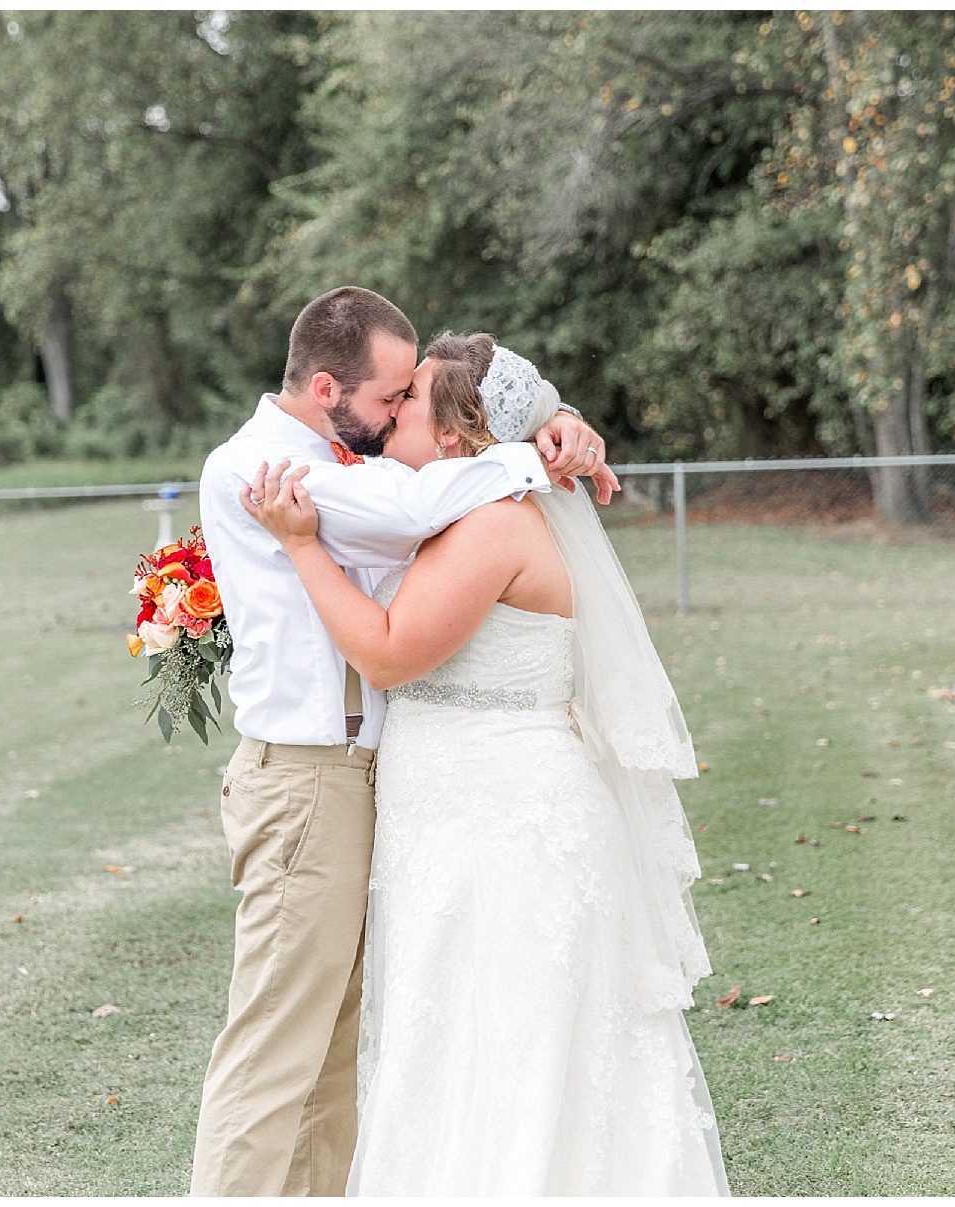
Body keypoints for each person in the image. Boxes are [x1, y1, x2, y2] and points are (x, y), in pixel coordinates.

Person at [242, 333, 727, 1195]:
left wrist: (301, 546)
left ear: (456, 432)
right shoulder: (439, 511)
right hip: (452, 818)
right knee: (453, 1049)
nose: (392, 407)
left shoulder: (495, 524)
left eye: (410, 397)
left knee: (510, 1057)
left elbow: (386, 653)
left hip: (505, 823)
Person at [191, 289, 617, 1196]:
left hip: (369, 779)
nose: (391, 417)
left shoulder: (346, 457)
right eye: (389, 397)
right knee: (274, 1051)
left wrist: (550, 422)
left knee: (332, 1054)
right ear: (325, 388)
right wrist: (526, 454)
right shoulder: (269, 469)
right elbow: (415, 509)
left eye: (403, 400)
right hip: (308, 779)